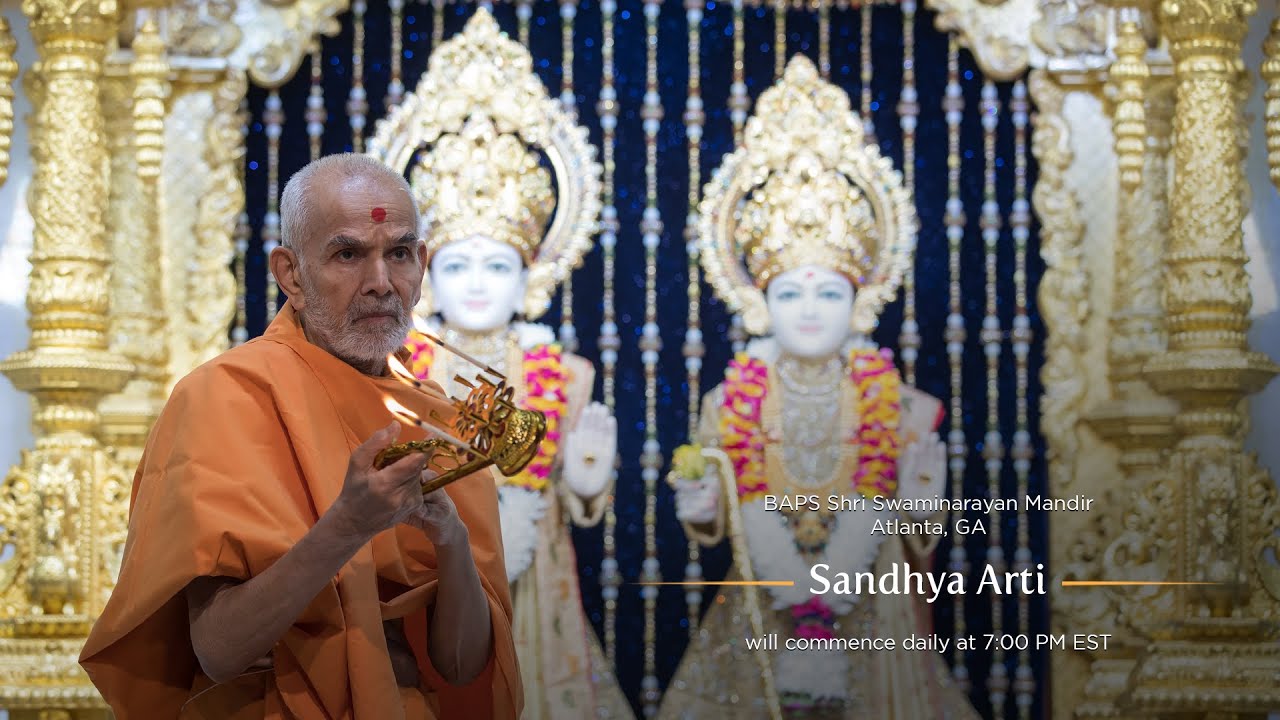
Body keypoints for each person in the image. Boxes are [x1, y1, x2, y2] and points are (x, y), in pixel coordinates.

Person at [79, 153, 522, 719]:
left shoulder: (437, 422)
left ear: (421, 265)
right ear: (291, 274)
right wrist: (346, 528)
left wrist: (452, 539)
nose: (380, 283)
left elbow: (463, 667)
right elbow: (218, 651)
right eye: (347, 255)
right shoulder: (225, 399)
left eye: (399, 254)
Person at [658, 57, 979, 719]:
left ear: (862, 301)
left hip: (875, 606)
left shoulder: (905, 409)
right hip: (761, 605)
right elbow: (711, 521)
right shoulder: (729, 403)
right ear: (759, 302)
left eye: (829, 292)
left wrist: (924, 507)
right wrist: (699, 504)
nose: (809, 309)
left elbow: (920, 533)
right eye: (789, 292)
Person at [369, 11, 631, 718]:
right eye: (458, 265)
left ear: (529, 279)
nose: (479, 283)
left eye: (498, 265)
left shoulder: (567, 375)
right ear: (426, 274)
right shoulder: (394, 368)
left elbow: (578, 503)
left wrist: (586, 485)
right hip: (425, 574)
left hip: (538, 583)